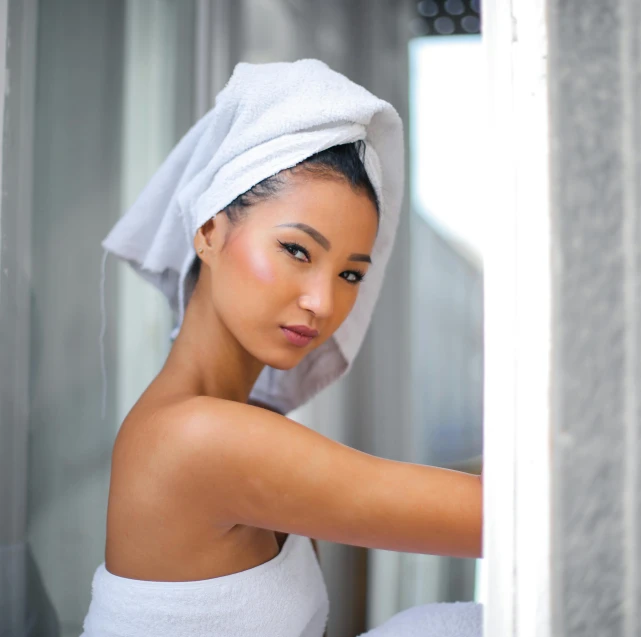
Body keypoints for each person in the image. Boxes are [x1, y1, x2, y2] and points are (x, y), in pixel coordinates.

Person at [81, 59, 482, 637]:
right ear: (210, 231)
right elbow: (502, 521)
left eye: (350, 275)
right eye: (297, 250)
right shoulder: (197, 439)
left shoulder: (243, 421)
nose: (323, 301)